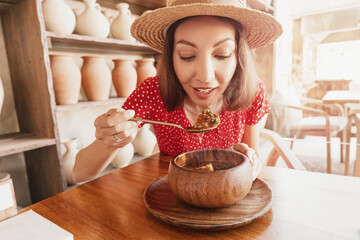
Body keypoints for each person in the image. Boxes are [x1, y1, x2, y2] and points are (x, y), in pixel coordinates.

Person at [72, 0, 282, 183]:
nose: (205, 76)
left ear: (238, 57)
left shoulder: (253, 90)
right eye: (187, 56)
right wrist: (112, 139)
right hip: (172, 196)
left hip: (225, 194)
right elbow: (80, 173)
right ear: (171, 57)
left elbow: (250, 161)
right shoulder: (154, 90)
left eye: (222, 55)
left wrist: (252, 163)